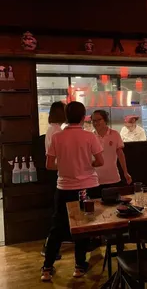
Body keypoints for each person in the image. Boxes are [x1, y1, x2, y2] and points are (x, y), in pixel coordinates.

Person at [41, 101, 104, 282]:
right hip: (87, 187)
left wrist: (66, 165)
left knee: (57, 227)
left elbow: (48, 165)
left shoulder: (57, 137)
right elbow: (100, 161)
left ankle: (46, 268)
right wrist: (86, 164)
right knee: (83, 227)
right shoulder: (89, 137)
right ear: (84, 117)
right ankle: (79, 266)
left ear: (66, 117)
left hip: (64, 188)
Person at [41, 101, 66, 259]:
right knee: (60, 215)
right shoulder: (56, 131)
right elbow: (54, 158)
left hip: (55, 174)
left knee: (60, 214)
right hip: (58, 175)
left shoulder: (53, 129)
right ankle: (50, 248)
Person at [91, 110, 132, 197]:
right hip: (94, 179)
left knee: (114, 206)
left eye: (99, 120)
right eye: (93, 120)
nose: (96, 123)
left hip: (113, 178)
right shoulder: (90, 136)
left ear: (105, 120)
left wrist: (125, 172)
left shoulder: (115, 134)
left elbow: (120, 154)